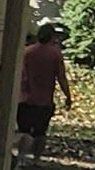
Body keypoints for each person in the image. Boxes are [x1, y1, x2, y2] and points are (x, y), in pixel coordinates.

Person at [15, 22, 72, 160]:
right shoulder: (55, 54)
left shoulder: (27, 52)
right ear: (52, 37)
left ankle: (21, 157)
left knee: (24, 130)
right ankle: (36, 159)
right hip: (44, 100)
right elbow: (61, 77)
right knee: (40, 132)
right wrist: (68, 96)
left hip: (24, 98)